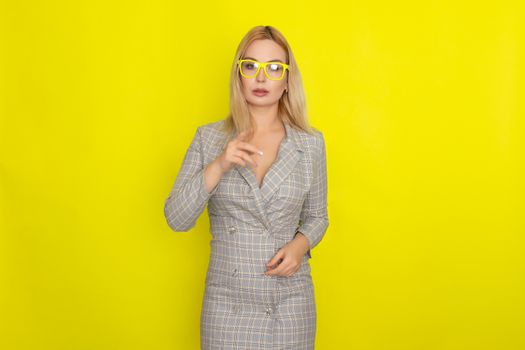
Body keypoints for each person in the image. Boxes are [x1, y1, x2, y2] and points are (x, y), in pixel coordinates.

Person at [164, 25, 329, 350]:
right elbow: (176, 219)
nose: (262, 77)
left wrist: (299, 247)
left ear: (286, 80)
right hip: (228, 305)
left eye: (274, 68)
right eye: (250, 66)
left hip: (289, 301)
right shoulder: (208, 138)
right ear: (238, 75)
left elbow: (318, 216)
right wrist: (220, 165)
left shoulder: (310, 144)